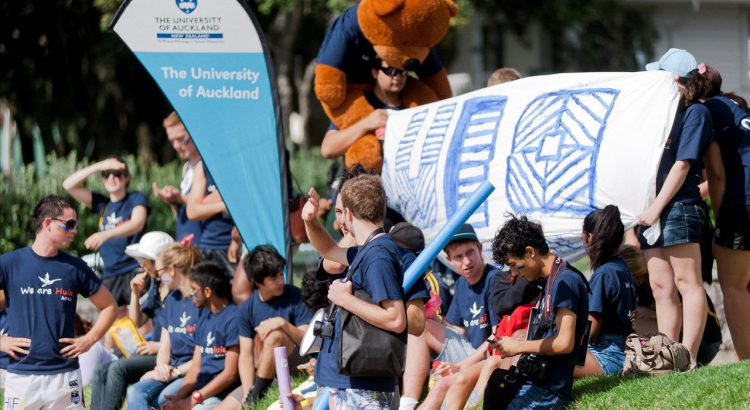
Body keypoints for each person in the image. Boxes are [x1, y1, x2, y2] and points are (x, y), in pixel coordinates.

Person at [637, 48, 724, 366]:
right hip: (649, 210)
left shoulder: (696, 113)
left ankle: (686, 354)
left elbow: (684, 165)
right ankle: (666, 353)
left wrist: (656, 209)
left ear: (676, 80)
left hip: (679, 208)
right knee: (661, 286)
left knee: (688, 282)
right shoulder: (658, 113)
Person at [0, 195, 118, 409]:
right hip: (21, 377)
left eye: (75, 225)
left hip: (65, 377)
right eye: (69, 224)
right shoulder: (9, 263)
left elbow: (110, 307)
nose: (74, 230)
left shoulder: (75, 267)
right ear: (47, 224)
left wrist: (89, 340)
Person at [302, 174, 406, 408]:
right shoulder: (369, 250)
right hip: (350, 381)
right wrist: (310, 220)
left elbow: (396, 318)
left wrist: (344, 299)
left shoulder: (378, 255)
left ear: (348, 214)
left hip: (363, 386)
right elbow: (330, 250)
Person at [488, 214, 589, 408]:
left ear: (530, 252)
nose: (515, 273)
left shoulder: (565, 281)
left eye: (513, 265)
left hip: (549, 391)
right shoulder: (549, 281)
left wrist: (519, 347)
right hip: (536, 381)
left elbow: (564, 343)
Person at [415, 224, 500, 410]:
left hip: (491, 358)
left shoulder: (494, 279)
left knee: (443, 388)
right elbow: (460, 329)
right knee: (422, 324)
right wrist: (435, 318)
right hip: (471, 351)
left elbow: (498, 337)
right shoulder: (461, 283)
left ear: (479, 248)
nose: (466, 261)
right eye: (458, 257)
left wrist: (460, 365)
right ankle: (410, 397)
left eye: (470, 252)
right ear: (449, 260)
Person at [89, 231, 174, 410]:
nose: (142, 265)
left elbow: (187, 335)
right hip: (152, 351)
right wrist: (135, 294)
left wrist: (157, 346)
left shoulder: (177, 291)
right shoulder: (157, 287)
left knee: (118, 369)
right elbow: (137, 321)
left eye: (146, 260)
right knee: (101, 370)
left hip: (167, 355)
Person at [220, 245, 314, 408]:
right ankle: (254, 395)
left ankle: (256, 396)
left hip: (297, 366)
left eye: (280, 275)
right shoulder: (246, 308)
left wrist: (282, 323)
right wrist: (248, 388)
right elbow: (246, 355)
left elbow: (307, 341)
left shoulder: (295, 296)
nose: (281, 281)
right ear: (257, 282)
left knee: (275, 335)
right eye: (273, 279)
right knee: (224, 406)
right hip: (265, 374)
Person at [698, 65, 750, 360]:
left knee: (734, 286)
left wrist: (721, 225)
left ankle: (745, 364)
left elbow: (716, 175)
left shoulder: (706, 113)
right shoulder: (738, 108)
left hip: (742, 201)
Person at [63, 156, 150, 311]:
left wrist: (105, 234)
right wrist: (99, 165)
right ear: (102, 180)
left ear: (126, 177)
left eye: (117, 174)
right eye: (106, 174)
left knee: (139, 326)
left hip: (134, 269)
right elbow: (68, 185)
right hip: (110, 273)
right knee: (112, 328)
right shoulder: (102, 203)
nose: (112, 178)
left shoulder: (136, 198)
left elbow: (137, 223)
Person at [126, 243, 205, 409]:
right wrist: (160, 369)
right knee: (134, 392)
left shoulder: (200, 300)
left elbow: (206, 355)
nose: (158, 278)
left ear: (172, 270)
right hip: (171, 371)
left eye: (160, 272)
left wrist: (175, 372)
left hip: (194, 371)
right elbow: (165, 347)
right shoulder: (171, 300)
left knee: (163, 398)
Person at [619, 245, 722, 366]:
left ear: (636, 278)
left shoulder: (666, 282)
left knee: (634, 324)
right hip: (686, 339)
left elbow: (686, 325)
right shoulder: (643, 286)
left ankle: (673, 359)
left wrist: (651, 314)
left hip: (706, 343)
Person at [163, 262, 240, 410]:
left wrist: (192, 400)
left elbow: (230, 374)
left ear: (208, 292)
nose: (191, 293)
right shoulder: (204, 317)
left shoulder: (233, 318)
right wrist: (179, 398)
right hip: (200, 391)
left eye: (194, 289)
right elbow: (195, 369)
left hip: (220, 393)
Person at [573, 206, 636, 377]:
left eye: (583, 238)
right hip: (623, 349)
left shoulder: (603, 274)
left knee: (550, 363)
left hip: (607, 355)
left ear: (590, 237)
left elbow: (591, 328)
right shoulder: (622, 268)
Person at [320, 57, 408, 161]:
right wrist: (366, 124)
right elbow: (327, 149)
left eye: (402, 71)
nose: (397, 76)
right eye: (390, 70)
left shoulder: (414, 105)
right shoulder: (355, 102)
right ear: (375, 72)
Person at [152, 111, 204, 244]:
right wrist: (173, 201)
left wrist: (179, 198)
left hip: (204, 244)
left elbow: (206, 205)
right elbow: (181, 214)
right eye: (172, 141)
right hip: (185, 241)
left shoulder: (207, 167)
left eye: (180, 138)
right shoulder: (187, 167)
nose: (176, 146)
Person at [186, 160, 235, 276]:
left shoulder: (238, 160)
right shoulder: (204, 165)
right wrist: (223, 206)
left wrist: (204, 202)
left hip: (234, 246)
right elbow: (192, 212)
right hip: (208, 246)